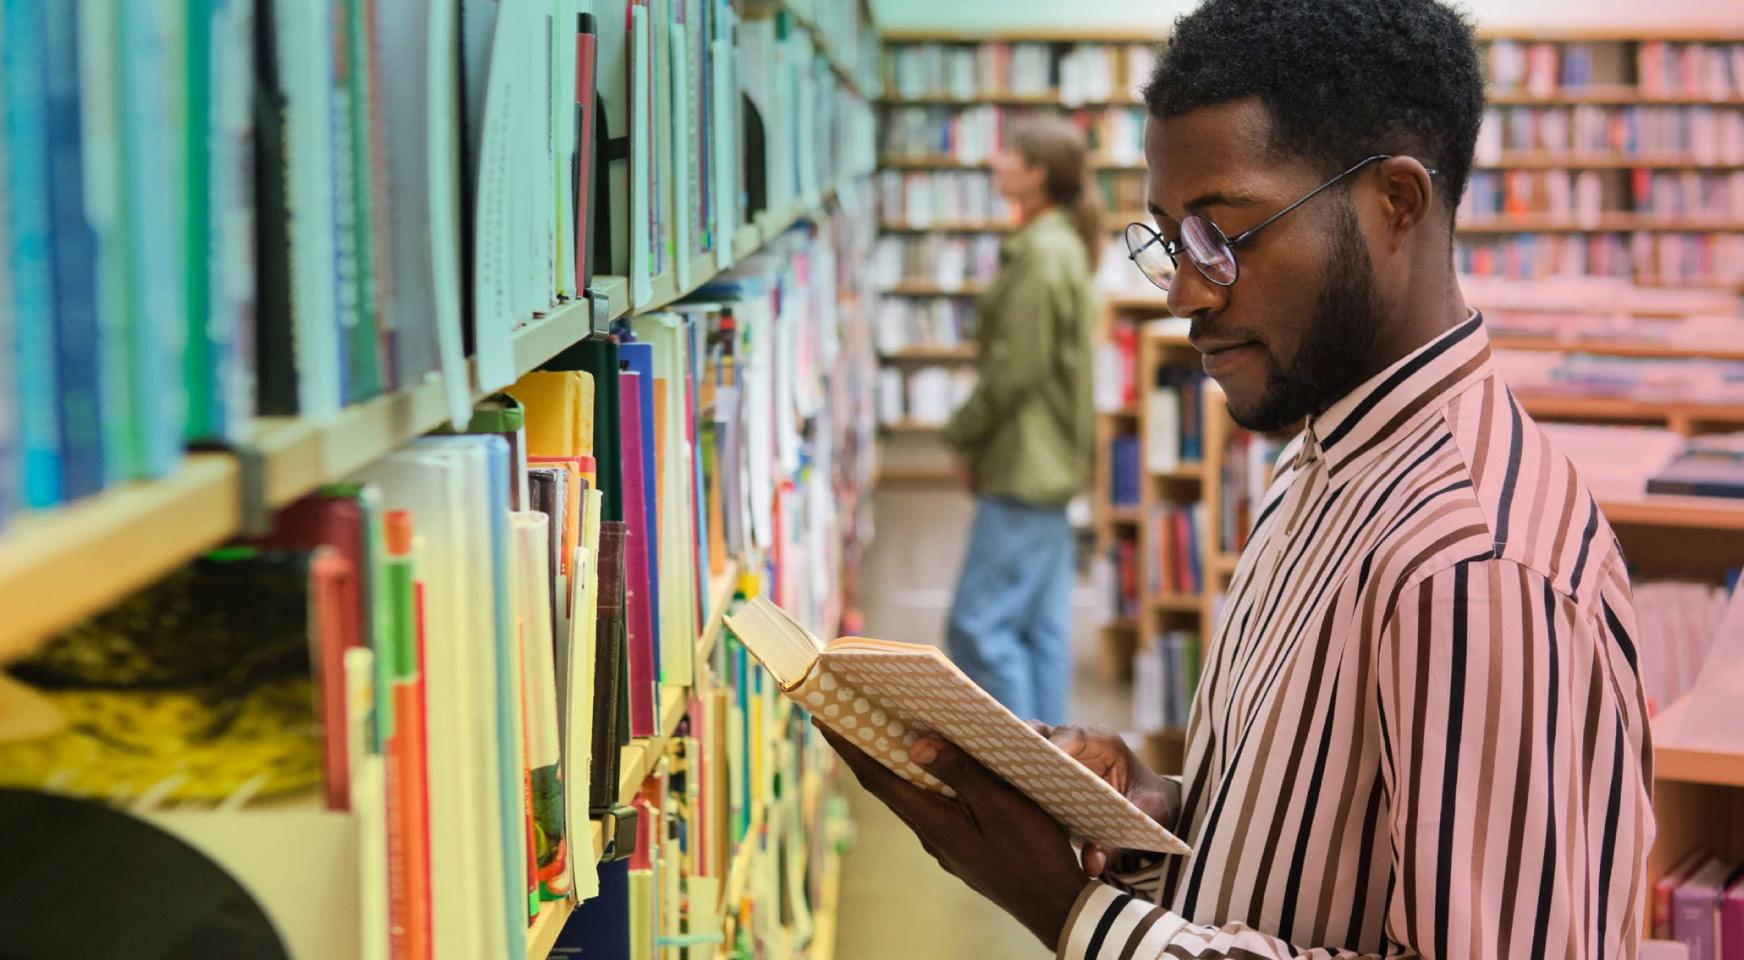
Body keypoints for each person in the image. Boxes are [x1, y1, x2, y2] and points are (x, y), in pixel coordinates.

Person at [821, 1, 1655, 957]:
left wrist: (1072, 911)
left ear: (1397, 203)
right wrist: (1148, 816)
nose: (1182, 291)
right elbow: (1319, 854)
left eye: (1222, 235)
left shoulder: (1474, 567)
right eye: (1171, 240)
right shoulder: (1325, 459)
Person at [939, 115, 1101, 727]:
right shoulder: (1056, 244)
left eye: (1011, 153)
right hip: (1048, 462)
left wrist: (961, 435)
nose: (997, 161)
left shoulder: (1040, 255)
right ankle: (1057, 773)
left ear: (1036, 174)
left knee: (979, 628)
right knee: (1037, 631)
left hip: (1026, 463)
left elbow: (1015, 370)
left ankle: (1023, 772)